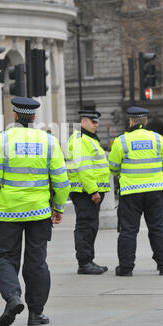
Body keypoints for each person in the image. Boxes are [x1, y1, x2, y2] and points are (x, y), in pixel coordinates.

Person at [0, 97, 70, 326]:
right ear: (34, 116)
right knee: (37, 262)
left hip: (9, 211)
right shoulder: (48, 141)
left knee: (3, 257)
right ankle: (36, 313)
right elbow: (61, 181)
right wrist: (58, 207)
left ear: (15, 115)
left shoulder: (2, 140)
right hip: (40, 212)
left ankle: (12, 297)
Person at [109, 106, 163, 276]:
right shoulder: (158, 139)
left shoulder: (122, 141)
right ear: (145, 122)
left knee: (128, 230)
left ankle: (126, 268)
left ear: (131, 121)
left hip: (131, 191)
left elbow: (113, 167)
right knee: (158, 227)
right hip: (156, 190)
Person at [66, 109, 111, 274]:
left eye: (97, 121)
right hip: (85, 192)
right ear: (83, 122)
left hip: (88, 191)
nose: (96, 124)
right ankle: (85, 263)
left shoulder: (88, 139)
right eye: (93, 121)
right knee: (86, 226)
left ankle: (88, 260)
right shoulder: (80, 140)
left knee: (90, 226)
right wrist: (93, 191)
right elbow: (84, 168)